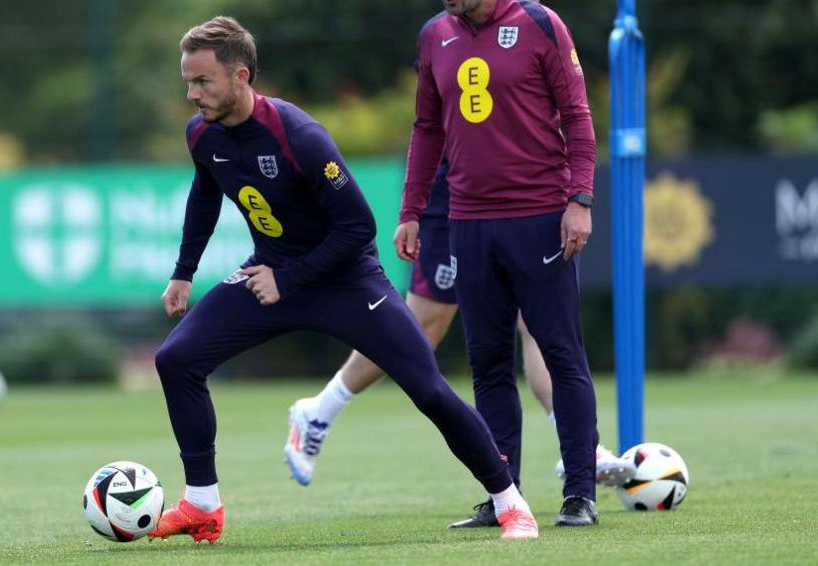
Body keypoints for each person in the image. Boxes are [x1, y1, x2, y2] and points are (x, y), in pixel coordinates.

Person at [150, 16, 539, 543]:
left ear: (241, 76)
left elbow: (359, 227)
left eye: (202, 82)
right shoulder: (202, 135)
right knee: (176, 360)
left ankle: (512, 504)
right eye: (188, 83)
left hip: (345, 281)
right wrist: (183, 273)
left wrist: (289, 279)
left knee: (427, 389)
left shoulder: (300, 136)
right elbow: (205, 194)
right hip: (271, 276)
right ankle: (202, 504)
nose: (192, 94)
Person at [284, 164, 636, 529]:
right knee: (421, 328)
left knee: (540, 321)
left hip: (524, 186)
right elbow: (430, 124)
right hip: (457, 190)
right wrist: (411, 208)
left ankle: (579, 448)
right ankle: (319, 410)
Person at [392, 0, 603, 527]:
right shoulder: (434, 33)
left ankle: (580, 494)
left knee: (561, 353)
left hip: (538, 217)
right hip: (468, 221)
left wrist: (580, 199)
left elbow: (577, 113)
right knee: (486, 362)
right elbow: (426, 128)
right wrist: (411, 210)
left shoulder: (538, 23)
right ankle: (504, 496)